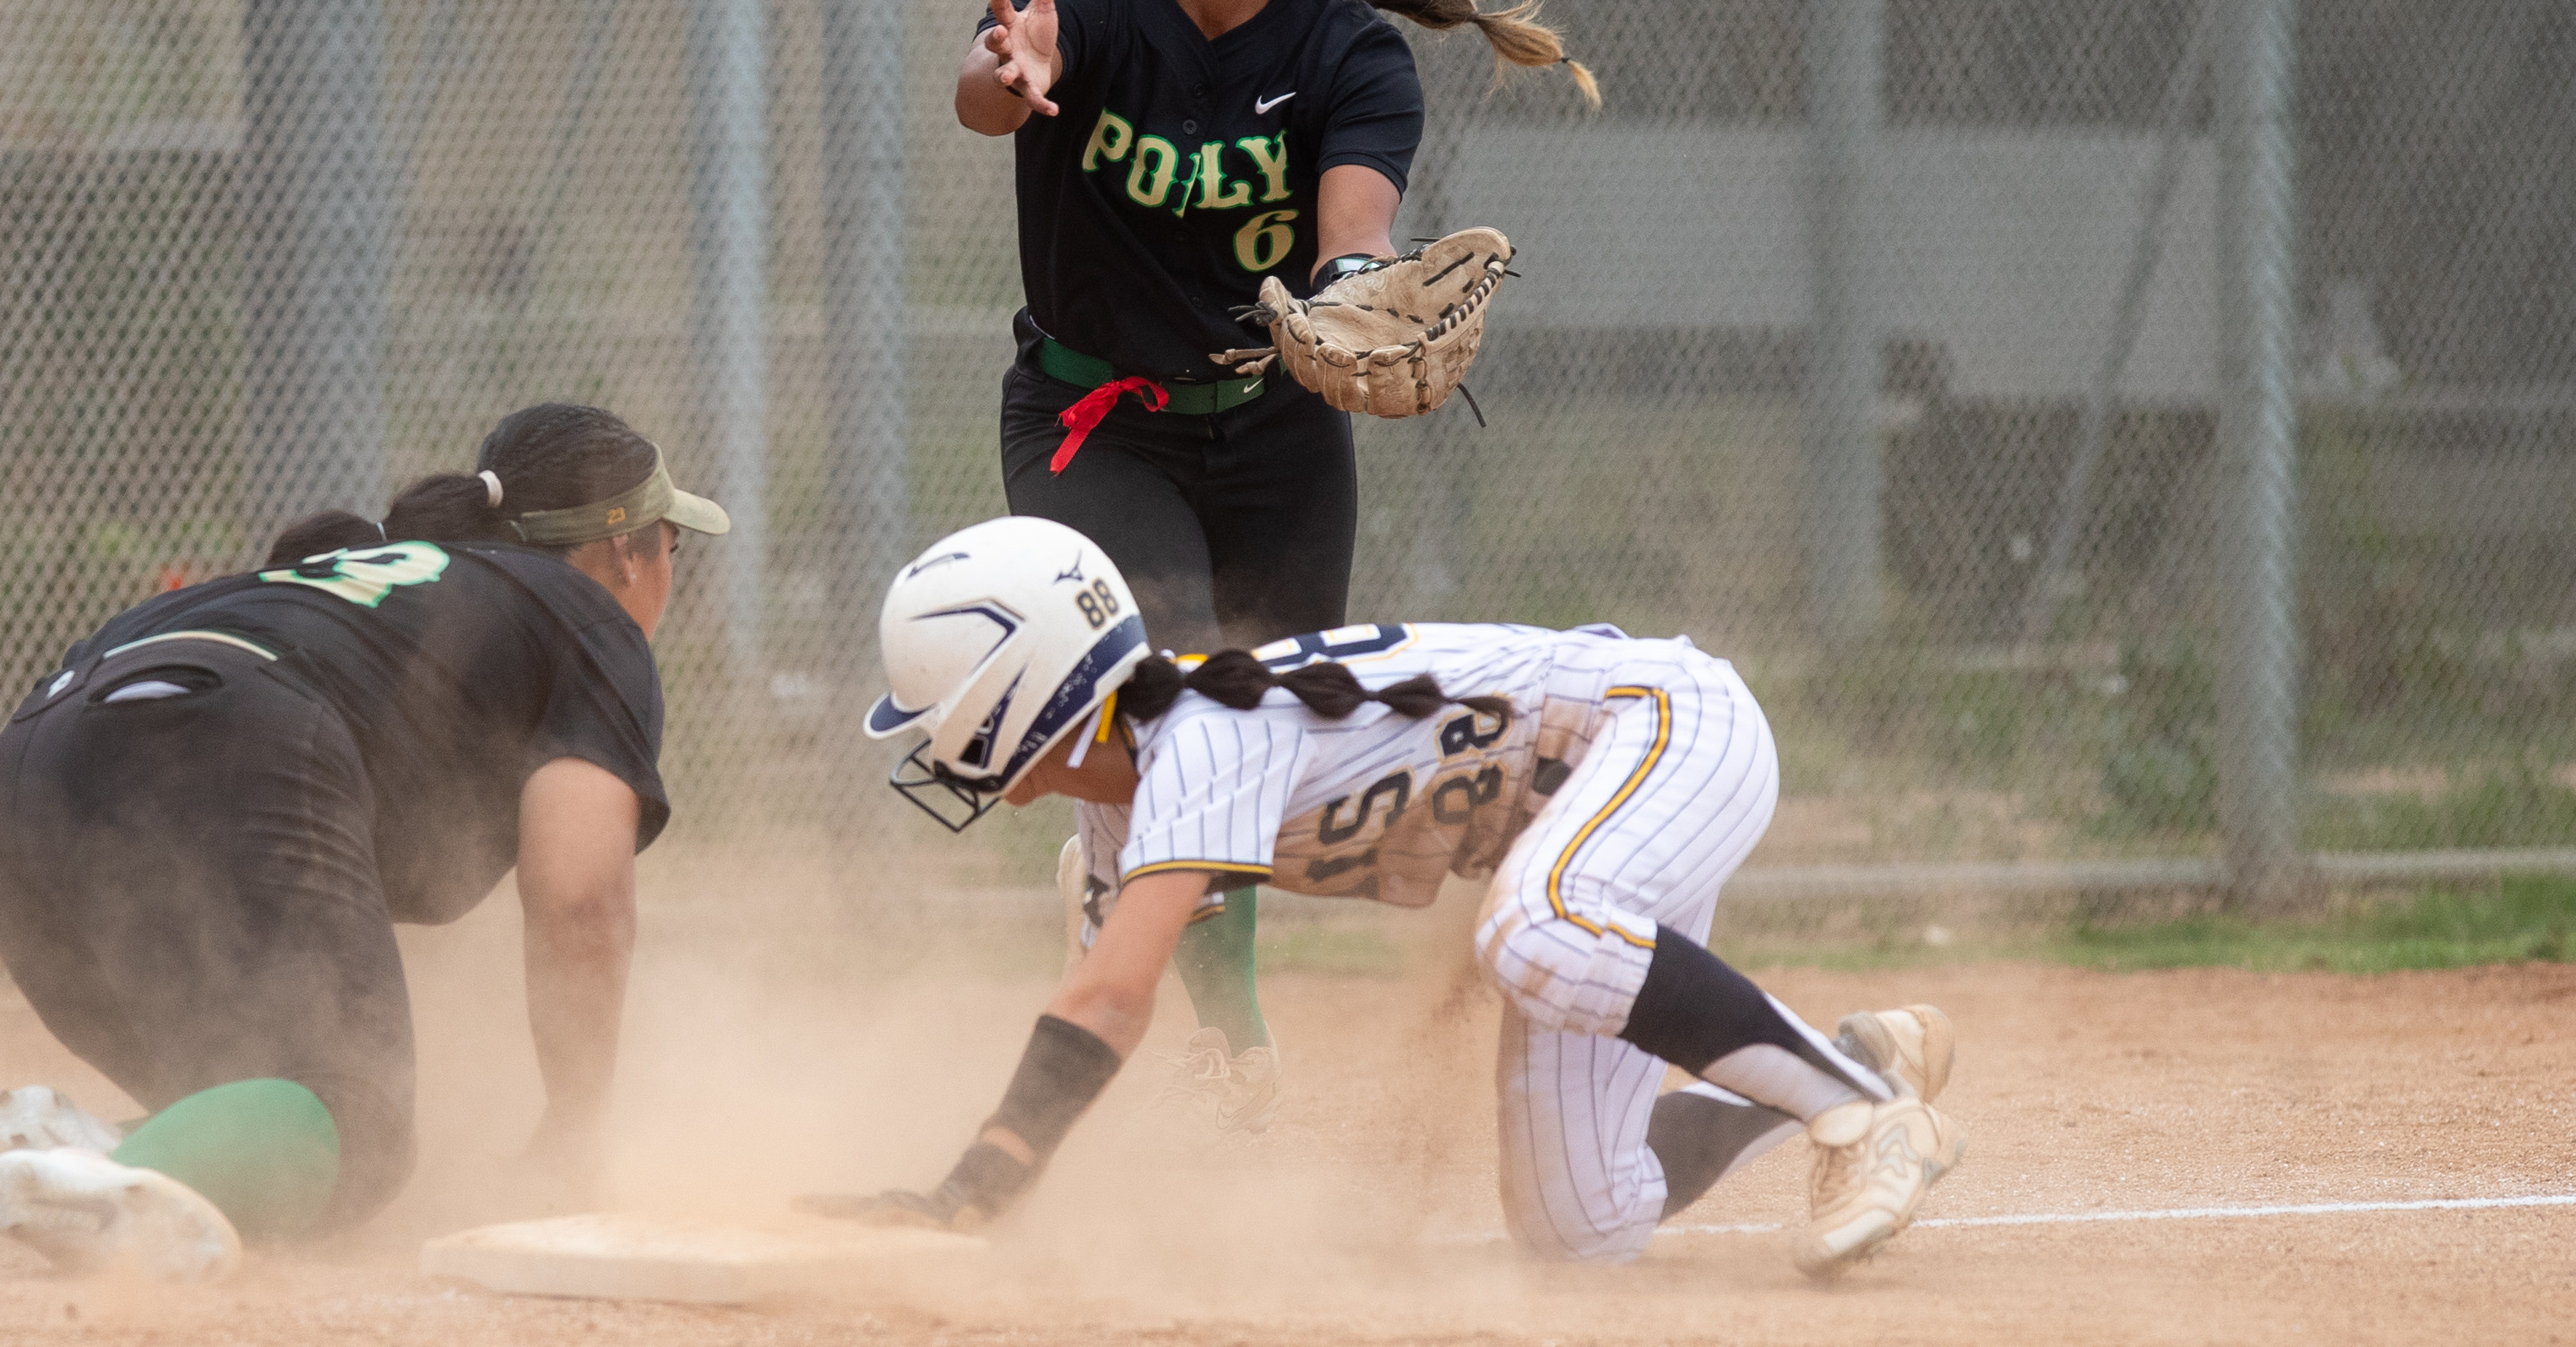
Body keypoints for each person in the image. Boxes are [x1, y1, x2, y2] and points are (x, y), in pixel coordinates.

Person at [953, 0, 1595, 1131]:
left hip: (1275, 420)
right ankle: (1234, 1041)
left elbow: (1350, 236)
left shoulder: (1349, 50)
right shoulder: (1085, 4)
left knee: (1263, 716)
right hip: (1091, 419)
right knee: (1189, 685)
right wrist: (1014, 69)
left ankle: (1114, 867)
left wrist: (1360, 296)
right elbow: (985, 97)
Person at [817, 518, 1962, 1277]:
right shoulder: (1121, 804)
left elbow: (1108, 1000)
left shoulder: (1203, 736)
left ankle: (1863, 1114)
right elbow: (1106, 1005)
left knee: (1531, 926)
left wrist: (965, 1189)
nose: (933, 745)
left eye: (938, 717)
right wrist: (1013, 1203)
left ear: (1007, 699)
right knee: (1578, 1225)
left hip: (1663, 723)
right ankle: (1842, 1056)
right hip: (1579, 827)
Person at [0, 403, 722, 1279]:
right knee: (358, 1123)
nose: (670, 567)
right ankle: (108, 1176)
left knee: (281, 1105)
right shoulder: (586, 614)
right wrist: (576, 1127)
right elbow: (581, 896)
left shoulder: (382, 588)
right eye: (673, 543)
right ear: (625, 548)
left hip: (20, 792)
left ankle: (99, 1149)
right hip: (227, 731)